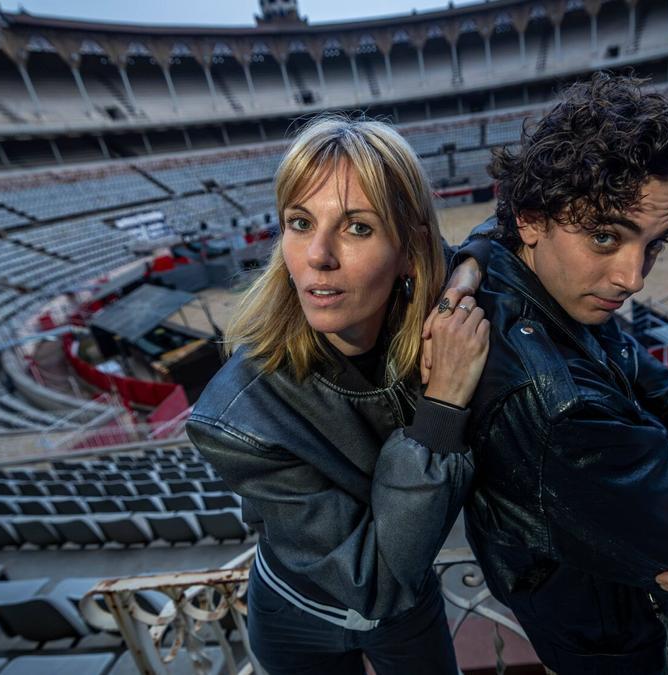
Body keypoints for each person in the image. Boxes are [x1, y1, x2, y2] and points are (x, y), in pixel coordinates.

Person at [447, 73, 668, 673]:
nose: (632, 278)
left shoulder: (525, 267)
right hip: (622, 637)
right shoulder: (558, 408)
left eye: (653, 245)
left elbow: (661, 387)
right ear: (531, 219)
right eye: (606, 237)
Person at [185, 116, 489, 675]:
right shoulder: (235, 417)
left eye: (357, 229)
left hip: (409, 614)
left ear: (409, 249)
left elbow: (501, 243)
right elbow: (375, 583)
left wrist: (466, 274)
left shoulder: (429, 303)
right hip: (296, 618)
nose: (318, 255)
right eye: (300, 222)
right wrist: (441, 407)